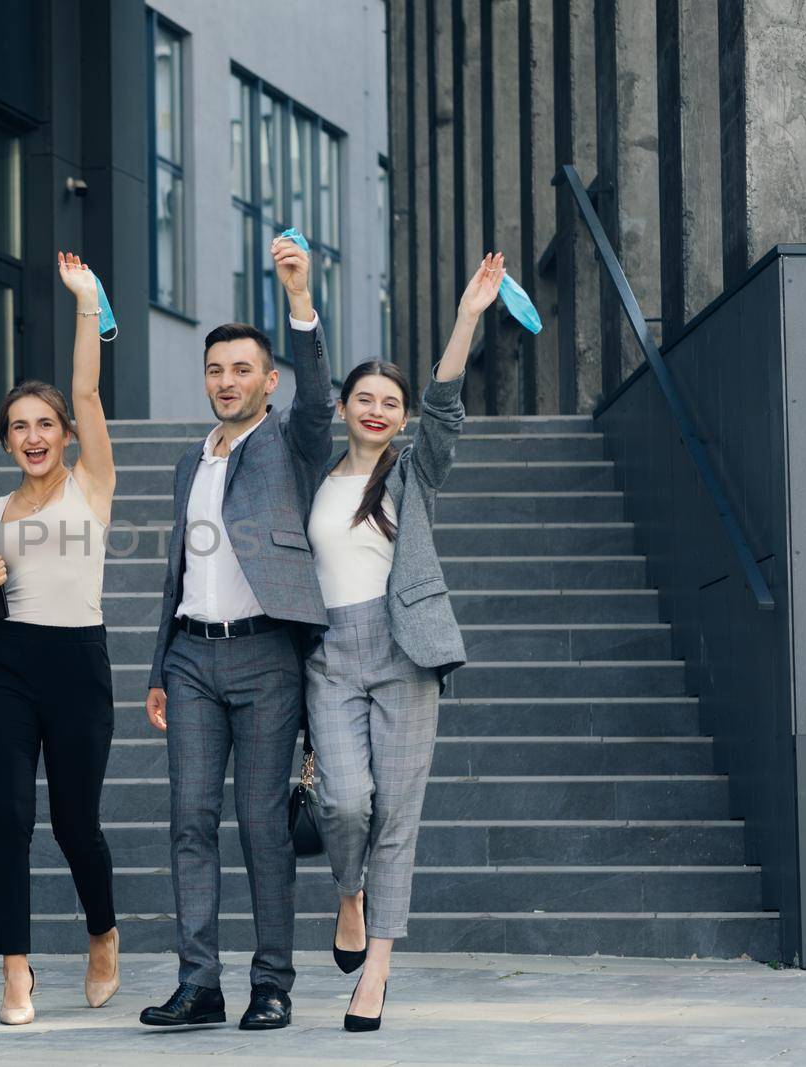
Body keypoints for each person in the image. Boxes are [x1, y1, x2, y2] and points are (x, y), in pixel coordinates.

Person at [139, 236, 333, 1032]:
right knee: (189, 819)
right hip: (190, 656)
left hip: (265, 654)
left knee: (260, 824)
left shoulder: (290, 444)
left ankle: (273, 981)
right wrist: (158, 664)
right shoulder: (192, 460)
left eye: (242, 370)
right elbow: (178, 570)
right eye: (217, 370)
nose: (227, 381)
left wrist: (299, 300)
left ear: (268, 380)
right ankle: (199, 983)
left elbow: (321, 401)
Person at [309, 254, 496, 1033]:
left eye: (392, 401)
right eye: (366, 399)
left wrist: (467, 319)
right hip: (329, 655)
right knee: (345, 800)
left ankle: (376, 970)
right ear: (344, 406)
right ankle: (347, 893)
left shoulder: (412, 471)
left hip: (404, 650)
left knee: (398, 815)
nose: (379, 410)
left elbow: (446, 409)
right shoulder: (312, 472)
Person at [0, 252, 121, 1026]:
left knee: (73, 823)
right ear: (6, 440)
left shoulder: (91, 485)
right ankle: (16, 971)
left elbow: (88, 386)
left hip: (78, 663)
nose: (33, 436)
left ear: (65, 434)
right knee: (9, 818)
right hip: (9, 664)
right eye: (19, 426)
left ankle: (102, 933)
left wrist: (86, 301)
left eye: (45, 424)